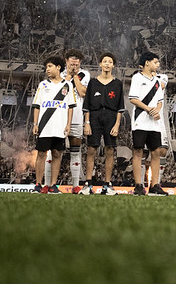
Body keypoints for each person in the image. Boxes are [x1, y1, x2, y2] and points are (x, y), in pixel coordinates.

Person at [81, 52, 125, 195]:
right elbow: (86, 105)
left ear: (113, 65)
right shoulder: (93, 82)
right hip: (94, 116)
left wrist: (117, 124)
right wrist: (87, 123)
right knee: (91, 149)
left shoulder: (117, 83)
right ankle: (88, 184)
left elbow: (120, 107)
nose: (107, 64)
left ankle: (107, 184)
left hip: (111, 116)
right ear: (100, 64)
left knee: (110, 149)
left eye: (110, 61)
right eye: (104, 61)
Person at [31, 55, 75, 194]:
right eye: (46, 67)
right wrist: (35, 124)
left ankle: (53, 184)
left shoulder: (67, 85)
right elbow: (37, 105)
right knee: (42, 153)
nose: (47, 70)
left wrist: (68, 124)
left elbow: (70, 107)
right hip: (45, 125)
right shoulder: (43, 85)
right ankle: (38, 183)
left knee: (57, 154)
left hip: (60, 126)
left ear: (58, 67)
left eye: (50, 66)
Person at [128, 52, 169, 196]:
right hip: (140, 120)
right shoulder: (137, 78)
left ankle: (154, 184)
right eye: (155, 62)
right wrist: (148, 109)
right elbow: (133, 98)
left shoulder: (157, 81)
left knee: (156, 152)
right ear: (147, 63)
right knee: (138, 151)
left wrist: (157, 110)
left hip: (154, 123)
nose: (157, 65)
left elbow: (160, 100)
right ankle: (138, 185)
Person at [59, 49, 90, 194]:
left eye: (76, 61)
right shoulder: (59, 74)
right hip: (59, 117)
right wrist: (67, 76)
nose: (74, 63)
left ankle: (76, 185)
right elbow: (60, 92)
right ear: (66, 61)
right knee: (53, 151)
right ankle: (48, 184)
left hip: (77, 117)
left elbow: (83, 92)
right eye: (71, 61)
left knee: (75, 151)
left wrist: (75, 76)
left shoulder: (84, 74)